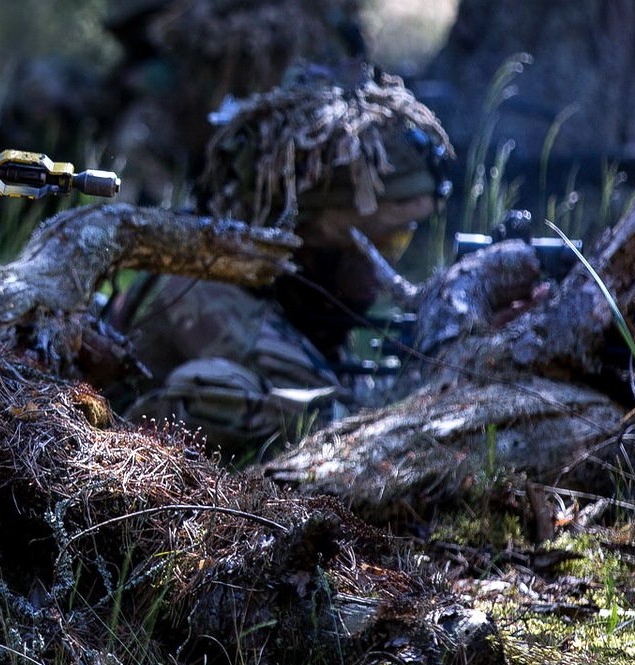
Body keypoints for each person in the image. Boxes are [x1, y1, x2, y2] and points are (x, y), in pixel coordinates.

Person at [119, 64, 450, 458]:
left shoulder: (303, 303)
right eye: (383, 243)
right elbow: (336, 423)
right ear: (305, 237)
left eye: (402, 239)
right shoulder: (207, 291)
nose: (385, 270)